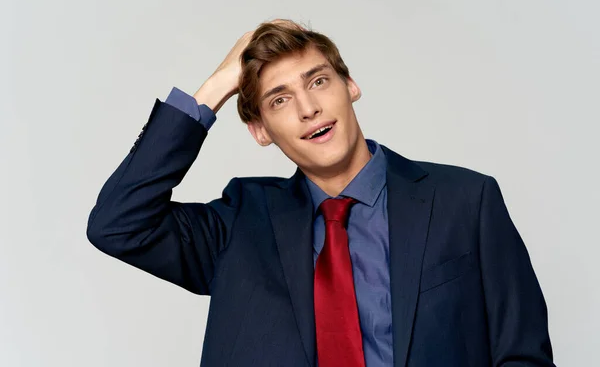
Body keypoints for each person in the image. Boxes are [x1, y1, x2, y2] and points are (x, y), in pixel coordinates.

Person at [86, 19, 555, 367]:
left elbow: (522, 355)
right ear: (260, 130)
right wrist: (217, 86)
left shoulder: (465, 202)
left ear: (349, 86)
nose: (309, 108)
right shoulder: (239, 224)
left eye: (318, 81)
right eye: (280, 99)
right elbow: (118, 224)